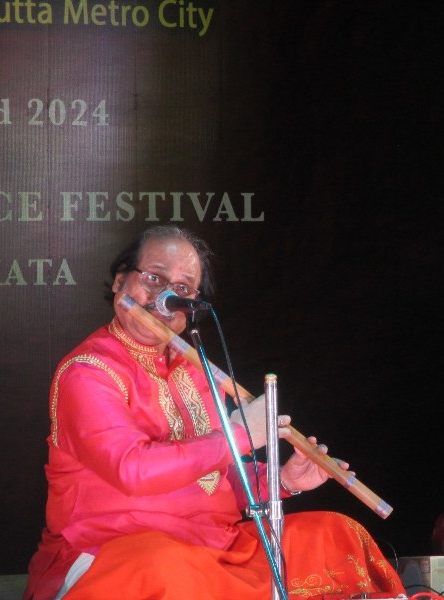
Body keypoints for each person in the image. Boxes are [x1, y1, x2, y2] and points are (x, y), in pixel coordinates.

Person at [23, 225, 403, 600]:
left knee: (335, 534)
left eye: (183, 289)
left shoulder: (196, 370)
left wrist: (282, 480)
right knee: (163, 569)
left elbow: (214, 480)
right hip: (119, 547)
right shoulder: (88, 372)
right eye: (154, 278)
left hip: (215, 546)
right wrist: (238, 436)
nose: (165, 298)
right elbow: (132, 469)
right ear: (122, 282)